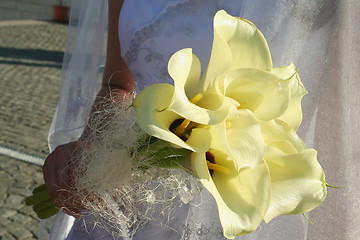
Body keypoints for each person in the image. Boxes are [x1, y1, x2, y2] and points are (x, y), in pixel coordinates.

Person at [42, 0, 360, 239]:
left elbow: (342, 105)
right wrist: (95, 151)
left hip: (236, 198)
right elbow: (117, 83)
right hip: (122, 202)